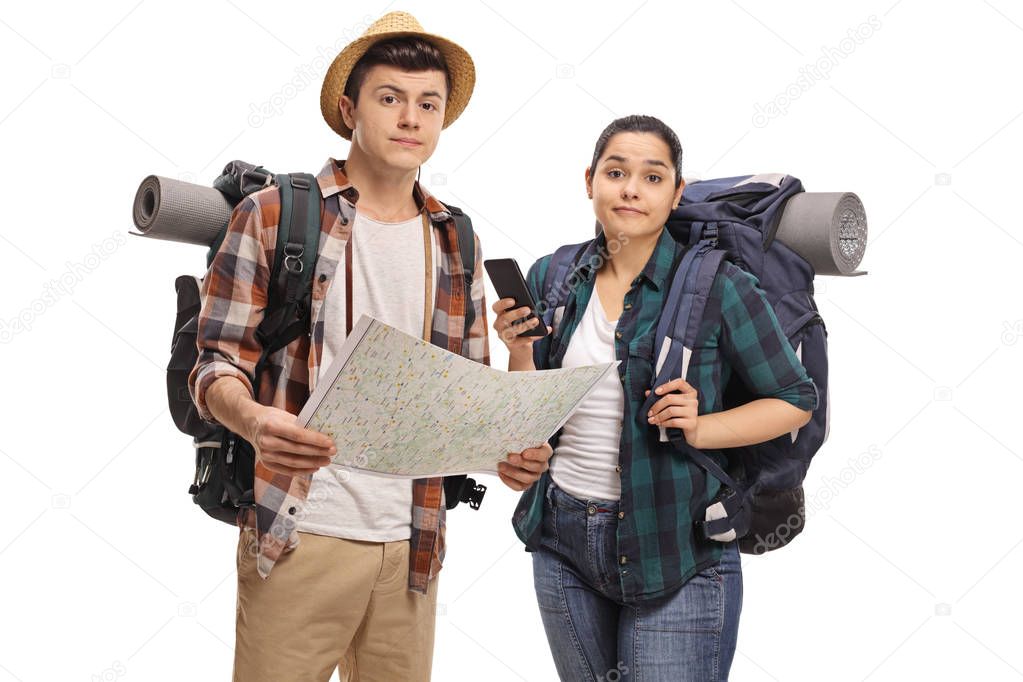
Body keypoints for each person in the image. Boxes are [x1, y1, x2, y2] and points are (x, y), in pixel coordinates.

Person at [188, 12, 551, 682]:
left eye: (427, 103)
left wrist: (511, 446)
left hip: (413, 543)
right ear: (349, 108)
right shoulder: (272, 213)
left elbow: (462, 392)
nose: (410, 117)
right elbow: (215, 361)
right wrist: (256, 422)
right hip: (298, 533)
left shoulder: (454, 237)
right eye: (390, 98)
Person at [492, 114, 819, 681]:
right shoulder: (554, 275)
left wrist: (701, 427)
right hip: (562, 542)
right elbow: (533, 409)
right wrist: (519, 352)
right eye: (616, 172)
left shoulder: (720, 285)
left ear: (676, 194)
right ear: (590, 179)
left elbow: (794, 397)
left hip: (678, 546)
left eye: (652, 177)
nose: (631, 190)